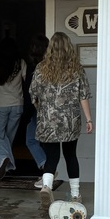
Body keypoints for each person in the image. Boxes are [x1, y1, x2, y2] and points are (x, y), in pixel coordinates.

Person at [28, 31, 93, 205]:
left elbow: (33, 95)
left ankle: (47, 187)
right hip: (70, 121)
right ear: (68, 47)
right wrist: (89, 120)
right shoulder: (76, 69)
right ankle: (75, 194)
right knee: (71, 155)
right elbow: (83, 96)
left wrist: (43, 111)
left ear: (50, 48)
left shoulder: (41, 68)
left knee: (52, 156)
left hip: (48, 120)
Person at [0, 37, 26, 180]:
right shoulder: (20, 62)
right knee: (7, 138)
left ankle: (3, 158)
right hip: (17, 104)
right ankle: (4, 164)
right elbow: (26, 81)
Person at [22, 33, 50, 188]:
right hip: (52, 108)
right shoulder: (50, 66)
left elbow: (30, 92)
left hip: (37, 108)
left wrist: (26, 113)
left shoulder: (33, 67)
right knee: (46, 142)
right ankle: (47, 171)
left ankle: (47, 170)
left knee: (31, 140)